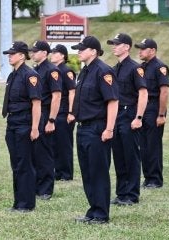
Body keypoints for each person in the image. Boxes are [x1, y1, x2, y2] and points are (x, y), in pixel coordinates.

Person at [71, 36, 119, 224]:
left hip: (98, 128)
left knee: (98, 172)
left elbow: (113, 101)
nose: (79, 51)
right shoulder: (85, 72)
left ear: (93, 51)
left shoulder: (103, 71)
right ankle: (93, 209)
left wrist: (109, 129)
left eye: (82, 49)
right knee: (87, 172)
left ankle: (101, 214)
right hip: (83, 128)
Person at [107, 33, 148, 205]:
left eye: (117, 44)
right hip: (117, 116)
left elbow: (143, 92)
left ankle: (132, 194)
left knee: (131, 156)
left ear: (127, 47)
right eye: (113, 44)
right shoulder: (115, 68)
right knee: (119, 155)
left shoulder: (135, 67)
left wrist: (138, 117)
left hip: (129, 114)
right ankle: (121, 193)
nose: (114, 47)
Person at [2, 41, 42, 212]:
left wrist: (34, 128)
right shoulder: (13, 75)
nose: (10, 56)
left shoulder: (30, 75)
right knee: (16, 164)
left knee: (25, 164)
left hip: (24, 123)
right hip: (12, 123)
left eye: (13, 53)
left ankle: (27, 204)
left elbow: (36, 103)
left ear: (22, 55)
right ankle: (18, 202)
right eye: (9, 53)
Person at [134, 38, 169, 189]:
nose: (140, 51)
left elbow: (164, 91)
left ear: (152, 50)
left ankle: (155, 179)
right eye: (139, 48)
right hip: (142, 109)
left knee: (153, 145)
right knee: (143, 145)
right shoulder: (141, 67)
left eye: (143, 48)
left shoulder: (160, 67)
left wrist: (161, 114)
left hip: (154, 108)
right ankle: (147, 178)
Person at [29, 40, 62, 200]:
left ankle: (46, 189)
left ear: (44, 53)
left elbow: (56, 96)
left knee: (45, 152)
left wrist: (51, 120)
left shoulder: (52, 70)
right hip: (36, 113)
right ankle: (36, 185)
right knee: (35, 152)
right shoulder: (35, 70)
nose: (32, 53)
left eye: (35, 51)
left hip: (46, 112)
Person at [50, 44, 76, 181]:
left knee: (64, 144)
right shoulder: (54, 70)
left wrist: (71, 112)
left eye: (55, 53)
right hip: (55, 112)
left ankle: (66, 174)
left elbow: (72, 92)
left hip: (64, 112)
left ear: (62, 56)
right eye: (52, 52)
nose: (52, 55)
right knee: (55, 144)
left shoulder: (66, 71)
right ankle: (58, 171)